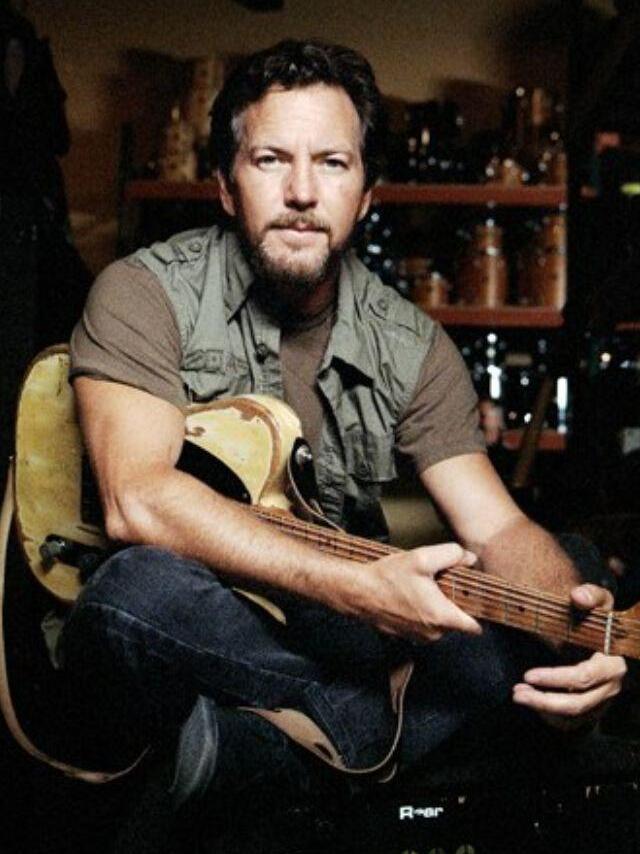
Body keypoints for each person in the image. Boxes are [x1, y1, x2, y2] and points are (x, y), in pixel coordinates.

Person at [60, 39, 627, 848]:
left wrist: (585, 643)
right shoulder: (143, 292)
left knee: (565, 566)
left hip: (324, 632)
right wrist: (357, 588)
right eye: (270, 160)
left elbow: (497, 526)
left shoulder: (412, 345)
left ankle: (249, 756)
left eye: (331, 163)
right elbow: (137, 499)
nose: (301, 192)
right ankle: (360, 744)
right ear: (225, 185)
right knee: (127, 596)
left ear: (365, 196)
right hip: (200, 618)